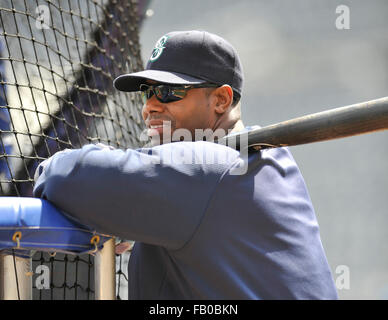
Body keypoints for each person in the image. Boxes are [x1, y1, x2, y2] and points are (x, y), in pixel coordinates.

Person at [33, 30, 338, 299]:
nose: (150, 106)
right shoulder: (271, 159)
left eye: (168, 92)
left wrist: (53, 167)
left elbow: (68, 177)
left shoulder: (208, 167)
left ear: (220, 99)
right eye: (148, 92)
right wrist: (124, 212)